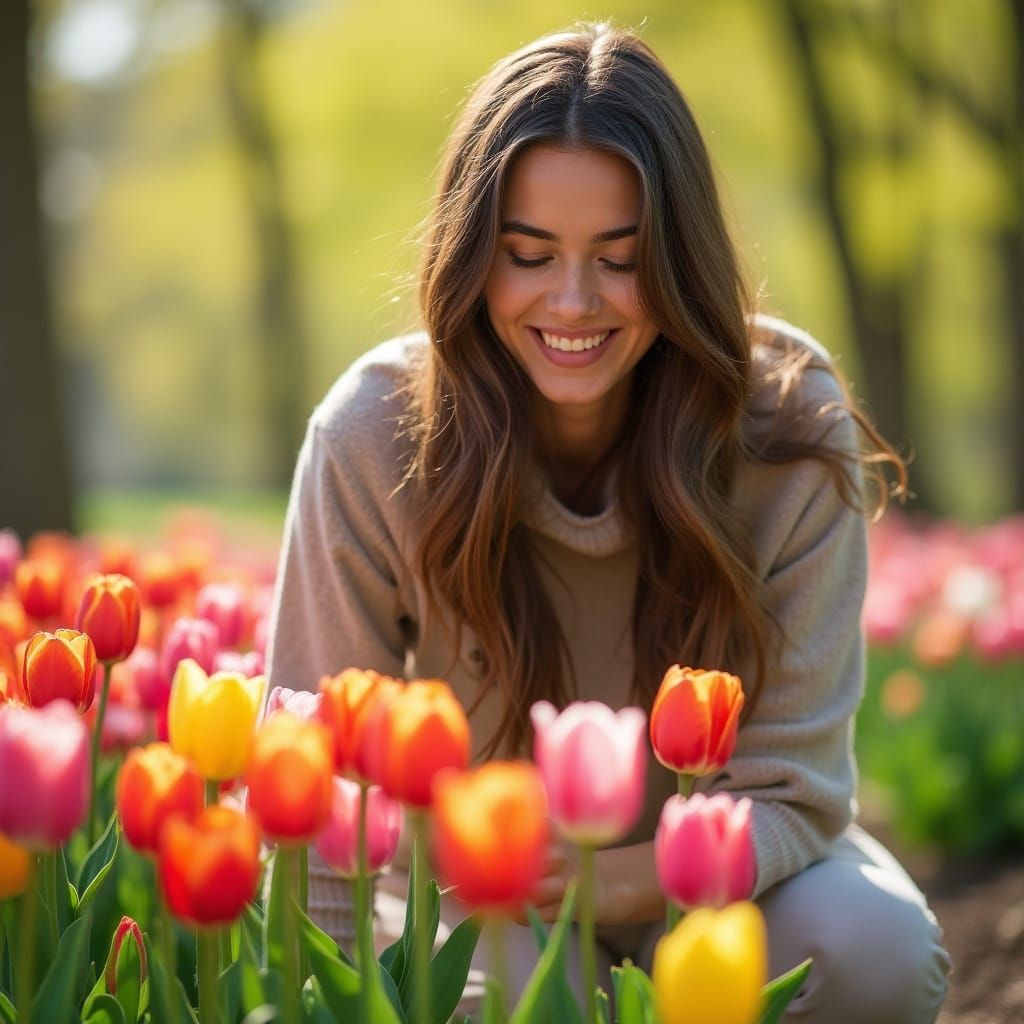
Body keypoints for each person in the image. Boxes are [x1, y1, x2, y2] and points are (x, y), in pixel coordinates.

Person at [266, 22, 952, 1023]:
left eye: (621, 258)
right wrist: (312, 994)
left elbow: (796, 788)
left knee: (871, 952)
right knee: (491, 995)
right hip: (495, 892)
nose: (574, 301)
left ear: (679, 257)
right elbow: (316, 768)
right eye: (529, 254)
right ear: (469, 255)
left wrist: (621, 880)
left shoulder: (783, 422)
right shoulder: (375, 436)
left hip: (734, 881)